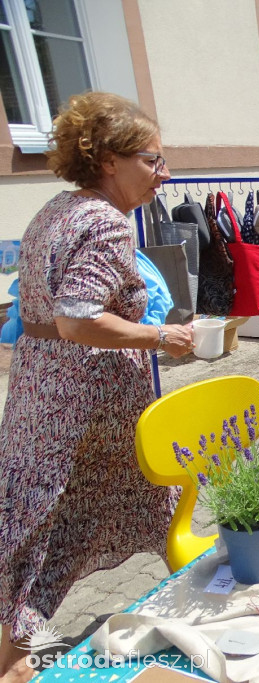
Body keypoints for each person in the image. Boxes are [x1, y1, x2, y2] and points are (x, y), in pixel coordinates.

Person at [0, 92, 194, 683]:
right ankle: (12, 663)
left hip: (40, 389)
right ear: (109, 159)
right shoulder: (107, 223)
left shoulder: (57, 209)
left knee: (45, 519)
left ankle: (192, 591)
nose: (164, 174)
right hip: (85, 407)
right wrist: (160, 337)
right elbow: (78, 318)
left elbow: (42, 312)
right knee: (61, 524)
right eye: (153, 160)